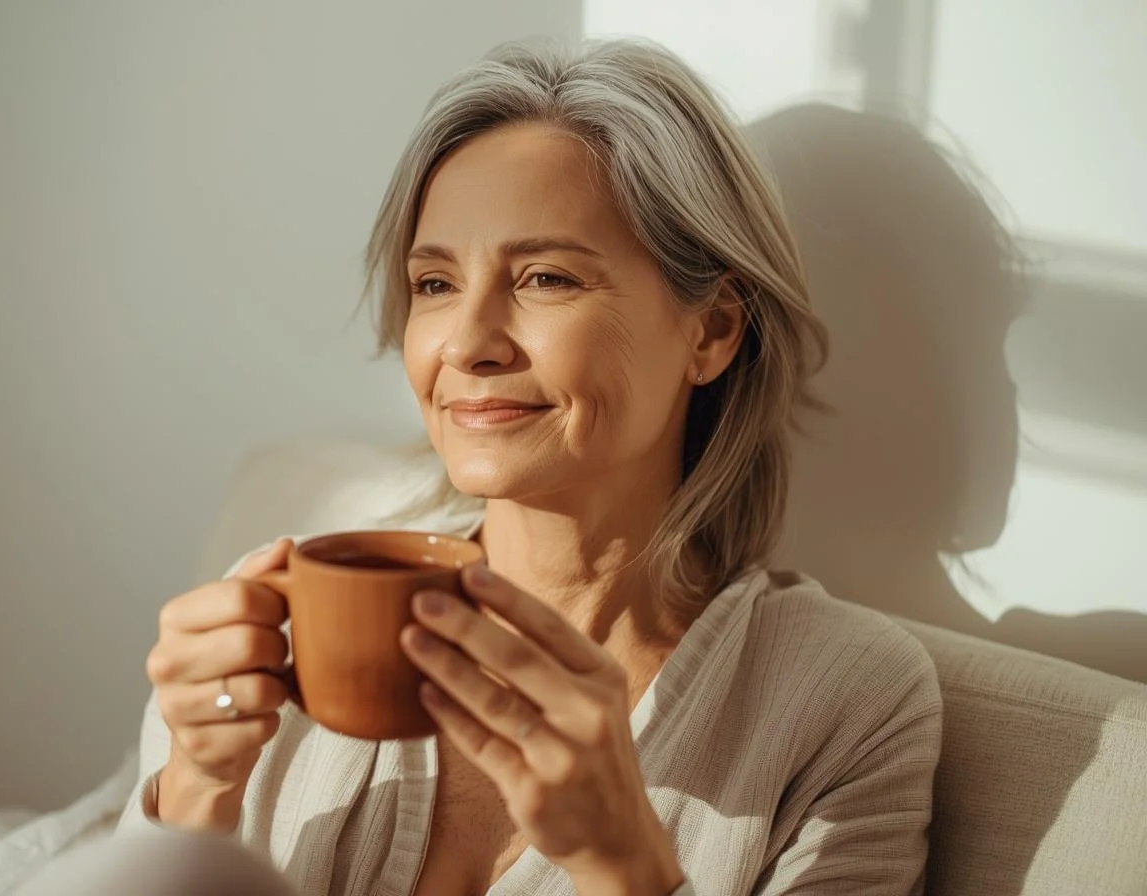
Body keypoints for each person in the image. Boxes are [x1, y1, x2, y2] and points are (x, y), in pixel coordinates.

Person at [112, 38, 942, 896]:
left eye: (545, 277)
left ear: (712, 331)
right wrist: (194, 793)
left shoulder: (845, 701)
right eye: (434, 285)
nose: (466, 344)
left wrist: (624, 863)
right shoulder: (294, 619)